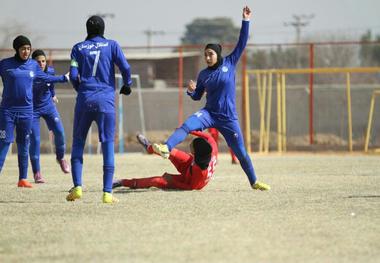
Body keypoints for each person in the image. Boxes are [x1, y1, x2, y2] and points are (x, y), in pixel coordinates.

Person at [153, 6, 270, 191]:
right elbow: (198, 96)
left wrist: (245, 20)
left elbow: (242, 42)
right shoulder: (203, 74)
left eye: (210, 54)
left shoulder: (230, 63)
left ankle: (254, 181)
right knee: (186, 125)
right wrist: (191, 91)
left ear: (218, 54)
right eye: (205, 54)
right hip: (209, 113)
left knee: (241, 153)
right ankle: (167, 147)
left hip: (228, 118)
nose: (207, 57)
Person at [66, 15, 133, 203]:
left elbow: (72, 74)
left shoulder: (78, 48)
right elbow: (126, 68)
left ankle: (77, 187)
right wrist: (127, 84)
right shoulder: (112, 45)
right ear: (103, 29)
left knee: (78, 142)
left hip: (84, 100)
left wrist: (81, 89)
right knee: (107, 144)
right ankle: (107, 193)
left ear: (87, 29)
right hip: (106, 101)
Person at [0, 35, 68, 188]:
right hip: (8, 112)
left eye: (28, 49)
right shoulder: (5, 64)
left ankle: (23, 179)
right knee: (4, 143)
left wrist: (64, 78)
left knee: (24, 144)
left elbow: (45, 78)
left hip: (26, 112)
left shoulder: (33, 65)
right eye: (23, 48)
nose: (26, 51)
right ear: (16, 49)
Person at [113, 131, 217, 190]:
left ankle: (122, 182)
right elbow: (209, 137)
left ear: (196, 153)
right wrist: (187, 130)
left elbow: (191, 187)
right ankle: (149, 147)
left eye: (192, 146)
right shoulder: (211, 148)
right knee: (169, 150)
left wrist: (172, 181)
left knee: (156, 181)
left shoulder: (199, 172)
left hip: (190, 181)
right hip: (191, 166)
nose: (189, 145)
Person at [29, 49, 70, 184]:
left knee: (59, 132)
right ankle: (37, 173)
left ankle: (61, 158)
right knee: (35, 140)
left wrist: (53, 94)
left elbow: (50, 83)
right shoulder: (29, 73)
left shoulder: (50, 70)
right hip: (32, 110)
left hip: (48, 107)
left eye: (43, 61)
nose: (41, 64)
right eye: (38, 61)